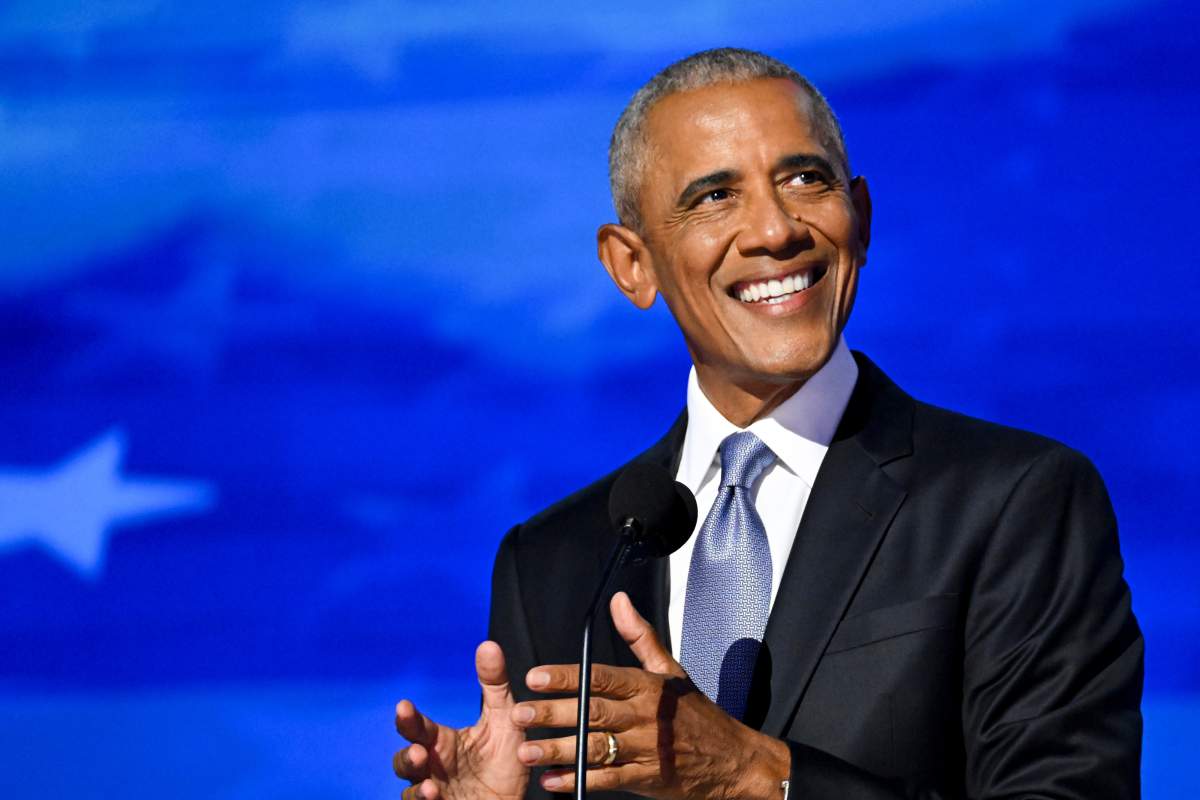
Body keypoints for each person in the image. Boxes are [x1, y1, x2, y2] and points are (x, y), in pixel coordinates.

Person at [392, 48, 1143, 800]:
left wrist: (760, 775)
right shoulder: (553, 563)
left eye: (805, 179)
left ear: (862, 217)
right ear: (632, 265)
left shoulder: (1016, 502)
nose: (776, 230)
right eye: (714, 197)